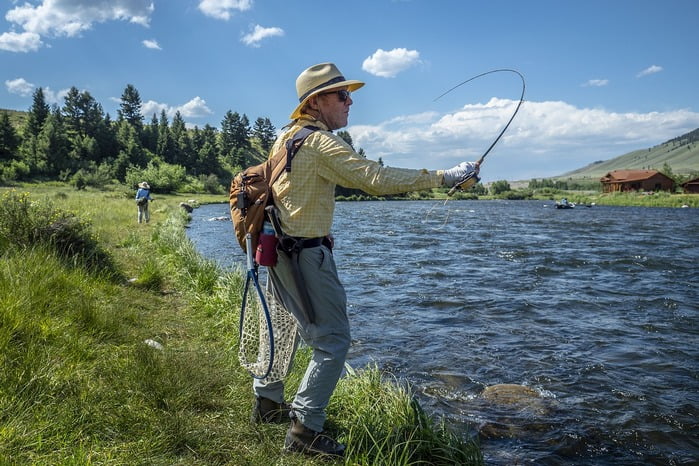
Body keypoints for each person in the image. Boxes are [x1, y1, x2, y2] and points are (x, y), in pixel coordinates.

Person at [250, 62, 479, 458]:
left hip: (277, 251)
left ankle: (268, 403)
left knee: (282, 325)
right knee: (333, 342)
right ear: (316, 102)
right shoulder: (321, 143)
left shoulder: (286, 138)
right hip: (305, 256)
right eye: (341, 95)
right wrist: (446, 176)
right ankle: (305, 431)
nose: (350, 101)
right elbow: (375, 178)